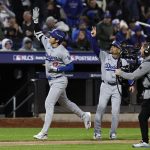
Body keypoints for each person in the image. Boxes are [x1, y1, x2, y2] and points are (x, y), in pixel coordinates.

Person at [32, 7, 91, 140]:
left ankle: (44, 133)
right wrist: (35, 20)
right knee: (65, 103)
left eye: (52, 36)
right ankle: (84, 115)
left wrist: (57, 68)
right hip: (52, 80)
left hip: (59, 79)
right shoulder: (47, 43)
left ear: (57, 40)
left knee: (48, 103)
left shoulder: (63, 51)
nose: (50, 37)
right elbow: (37, 32)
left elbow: (71, 66)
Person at [89, 27, 135, 140]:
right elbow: (95, 48)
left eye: (115, 47)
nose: (112, 47)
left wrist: (131, 84)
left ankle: (113, 133)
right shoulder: (105, 56)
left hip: (117, 87)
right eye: (112, 46)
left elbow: (129, 74)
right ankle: (97, 132)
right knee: (101, 108)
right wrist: (93, 38)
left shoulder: (123, 61)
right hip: (105, 86)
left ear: (119, 50)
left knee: (115, 112)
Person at [115, 43, 150, 148]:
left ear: (147, 51)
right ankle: (145, 141)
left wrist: (120, 73)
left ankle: (145, 141)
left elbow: (134, 76)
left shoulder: (147, 63)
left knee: (142, 117)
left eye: (142, 49)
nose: (140, 51)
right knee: (143, 117)